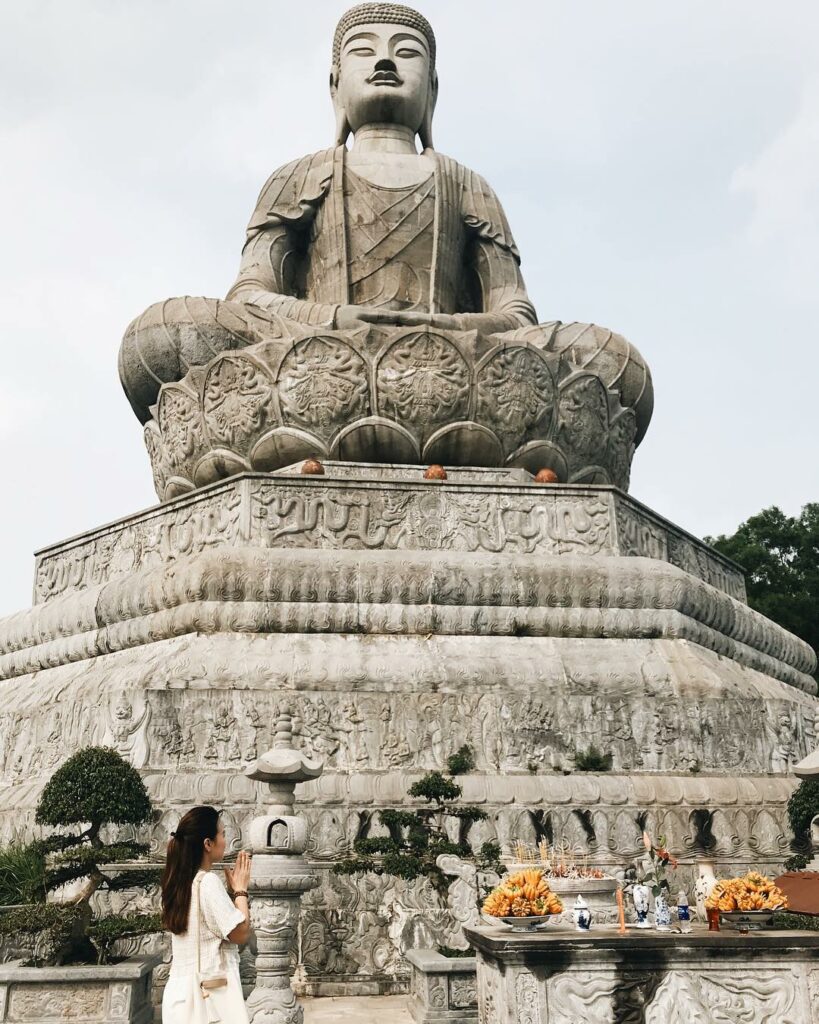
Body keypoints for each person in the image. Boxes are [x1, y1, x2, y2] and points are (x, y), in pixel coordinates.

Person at [160, 805, 252, 1023]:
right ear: (208, 844)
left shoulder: (178, 882)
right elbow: (240, 934)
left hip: (179, 996)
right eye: (222, 834)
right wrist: (241, 891)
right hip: (208, 997)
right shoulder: (207, 882)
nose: (225, 840)